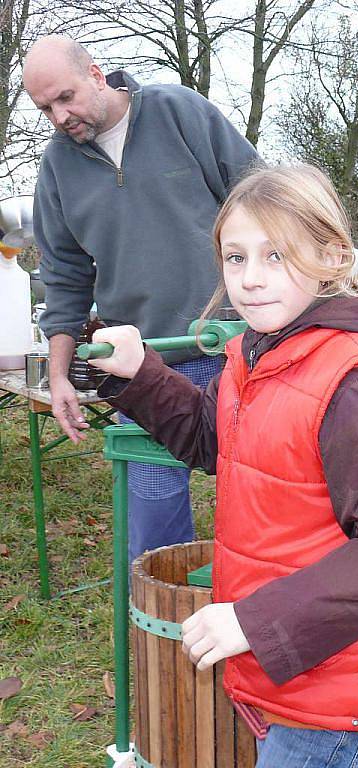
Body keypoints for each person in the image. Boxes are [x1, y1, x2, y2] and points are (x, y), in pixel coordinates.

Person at [90, 164, 358, 768]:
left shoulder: (356, 383)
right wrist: (141, 375)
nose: (250, 280)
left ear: (333, 256)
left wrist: (257, 621)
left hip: (334, 682)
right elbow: (215, 439)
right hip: (290, 666)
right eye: (235, 257)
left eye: (276, 255)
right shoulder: (262, 353)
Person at [22, 36, 260, 564]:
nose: (60, 116)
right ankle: (168, 631)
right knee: (153, 519)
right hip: (144, 364)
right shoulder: (58, 167)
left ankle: (260, 623)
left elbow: (261, 197)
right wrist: (60, 375)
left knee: (263, 496)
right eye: (46, 109)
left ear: (96, 74)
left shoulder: (178, 112)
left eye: (66, 97)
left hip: (236, 345)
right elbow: (63, 280)